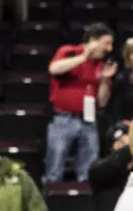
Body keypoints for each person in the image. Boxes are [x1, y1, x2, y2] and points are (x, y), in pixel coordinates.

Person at [46, 22, 117, 184]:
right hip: (63, 120)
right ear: (92, 41)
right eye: (106, 43)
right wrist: (84, 57)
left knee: (89, 171)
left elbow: (102, 101)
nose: (109, 49)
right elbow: (54, 69)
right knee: (55, 169)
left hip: (89, 121)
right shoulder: (69, 51)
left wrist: (105, 80)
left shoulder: (101, 65)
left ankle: (84, 206)